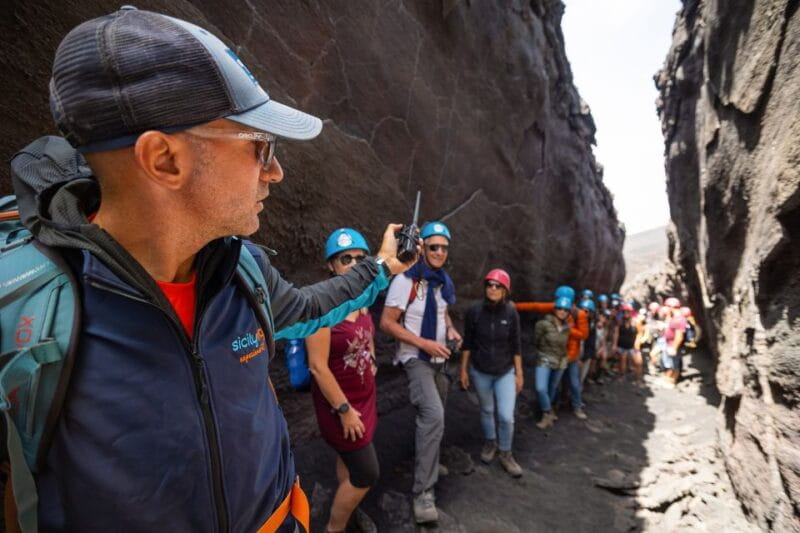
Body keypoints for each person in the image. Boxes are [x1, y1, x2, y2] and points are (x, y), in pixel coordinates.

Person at [5, 8, 419, 532]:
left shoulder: (241, 270)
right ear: (164, 160)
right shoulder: (29, 318)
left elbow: (309, 308)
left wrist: (383, 266)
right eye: (259, 146)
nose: (276, 171)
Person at [379, 221, 461, 524]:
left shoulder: (441, 281)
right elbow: (387, 323)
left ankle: (430, 462)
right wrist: (424, 342)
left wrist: (451, 330)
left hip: (440, 359)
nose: (439, 252)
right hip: (416, 359)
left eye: (444, 247)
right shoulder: (405, 280)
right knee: (434, 416)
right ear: (422, 247)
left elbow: (443, 312)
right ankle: (423, 494)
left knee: (434, 420)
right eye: (434, 246)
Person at [307, 229, 381, 533]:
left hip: (365, 397)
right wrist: (345, 410)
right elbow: (317, 367)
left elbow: (367, 333)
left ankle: (348, 505)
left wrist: (372, 357)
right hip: (341, 406)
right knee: (367, 473)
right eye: (345, 258)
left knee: (349, 461)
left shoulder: (363, 298)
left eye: (360, 259)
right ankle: (334, 528)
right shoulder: (322, 307)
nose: (353, 264)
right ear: (332, 265)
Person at [459, 269, 523, 477]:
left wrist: (519, 373)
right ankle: (490, 443)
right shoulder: (475, 311)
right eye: (490, 285)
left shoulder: (511, 312)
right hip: (480, 371)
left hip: (505, 371)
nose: (493, 289)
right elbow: (467, 342)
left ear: (505, 290)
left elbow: (516, 345)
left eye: (498, 286)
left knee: (506, 416)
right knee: (486, 410)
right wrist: (463, 370)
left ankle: (506, 453)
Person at [515, 285, 589, 419]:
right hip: (554, 353)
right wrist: (515, 306)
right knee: (550, 385)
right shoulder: (557, 307)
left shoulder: (580, 314)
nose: (561, 309)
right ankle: (549, 410)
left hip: (569, 356)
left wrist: (565, 329)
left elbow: (583, 335)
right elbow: (535, 306)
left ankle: (577, 406)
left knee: (573, 382)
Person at [531, 296, 573, 430]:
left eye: (566, 310)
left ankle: (546, 413)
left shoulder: (567, 327)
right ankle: (548, 413)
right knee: (540, 388)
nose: (562, 311)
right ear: (555, 309)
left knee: (552, 389)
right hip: (544, 359)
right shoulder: (543, 324)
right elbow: (536, 340)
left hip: (560, 362)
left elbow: (565, 345)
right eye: (560, 308)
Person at [611, 303, 644, 386]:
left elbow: (640, 333)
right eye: (624, 311)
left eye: (628, 311)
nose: (626, 313)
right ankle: (622, 375)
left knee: (638, 362)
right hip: (621, 345)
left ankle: (638, 379)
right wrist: (614, 344)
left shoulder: (636, 321)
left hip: (632, 346)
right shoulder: (620, 321)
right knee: (622, 358)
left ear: (631, 312)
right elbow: (616, 333)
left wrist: (637, 343)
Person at [662, 298, 687, 385]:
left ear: (671, 307)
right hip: (669, 343)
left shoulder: (679, 319)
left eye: (667, 306)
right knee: (669, 363)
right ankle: (668, 379)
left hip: (673, 345)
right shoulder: (674, 317)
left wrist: (674, 348)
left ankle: (672, 382)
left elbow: (679, 336)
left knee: (674, 365)